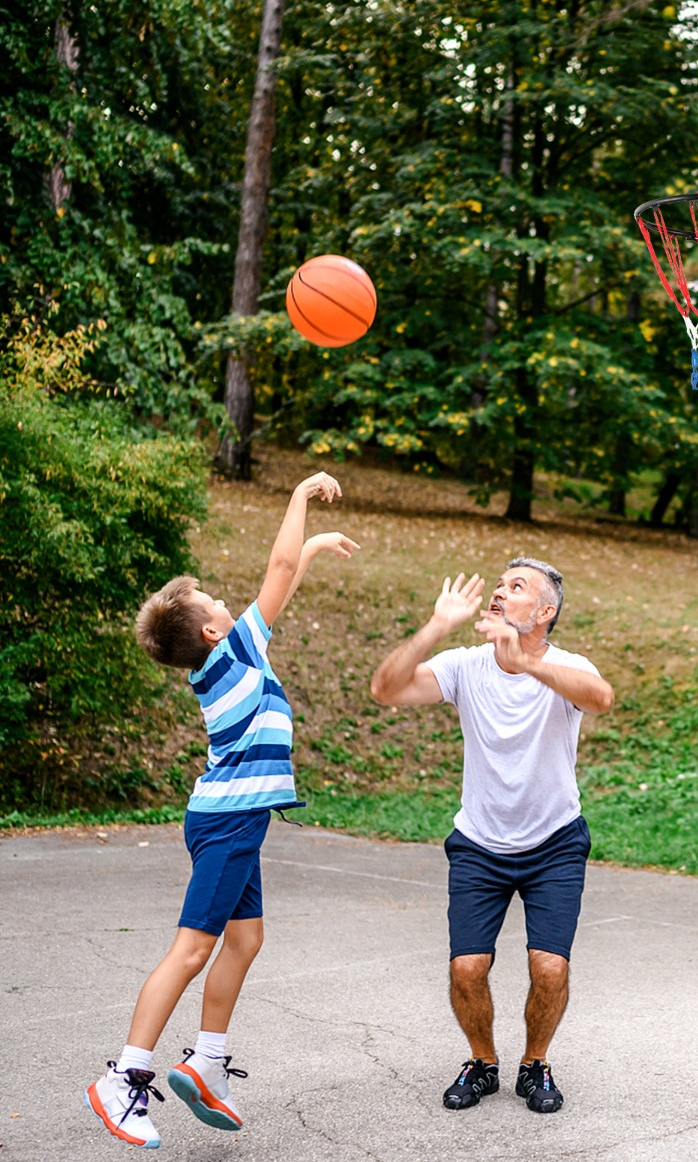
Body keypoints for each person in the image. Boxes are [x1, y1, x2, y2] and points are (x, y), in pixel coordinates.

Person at [85, 472, 359, 1149]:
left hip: (233, 818)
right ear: (213, 630)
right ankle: (124, 1077)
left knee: (244, 938)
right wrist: (300, 496)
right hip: (229, 820)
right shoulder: (235, 652)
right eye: (218, 601)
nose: (231, 603)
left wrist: (317, 544)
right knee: (191, 950)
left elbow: (284, 580)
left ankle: (206, 1061)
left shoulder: (232, 654)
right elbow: (280, 567)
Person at [370, 558, 613, 1115]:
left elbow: (599, 698)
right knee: (466, 968)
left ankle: (535, 1064)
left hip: (555, 843)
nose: (500, 592)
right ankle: (482, 1063)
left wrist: (528, 665)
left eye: (517, 587)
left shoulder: (569, 667)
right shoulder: (466, 665)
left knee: (549, 967)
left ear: (544, 612)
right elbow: (386, 689)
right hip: (480, 844)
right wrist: (435, 627)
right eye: (500, 584)